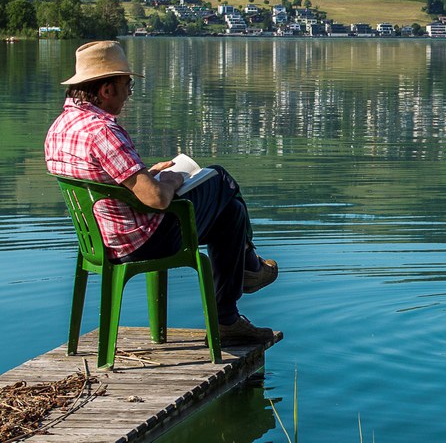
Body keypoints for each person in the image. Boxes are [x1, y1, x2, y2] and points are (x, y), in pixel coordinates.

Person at [45, 40, 278, 345]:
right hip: (140, 240)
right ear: (106, 90)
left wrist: (145, 175)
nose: (129, 92)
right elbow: (156, 200)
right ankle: (248, 268)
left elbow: (104, 182)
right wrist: (169, 179)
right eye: (126, 85)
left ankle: (231, 312)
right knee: (220, 179)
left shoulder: (59, 129)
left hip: (99, 239)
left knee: (230, 214)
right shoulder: (102, 131)